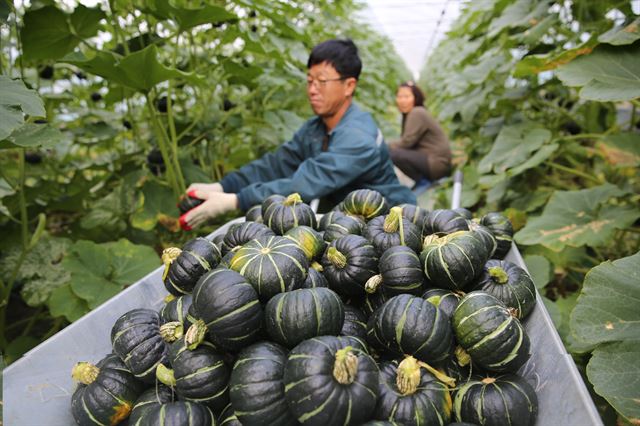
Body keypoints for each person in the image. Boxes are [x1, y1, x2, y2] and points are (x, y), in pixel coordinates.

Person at [180, 39, 416, 230]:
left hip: (388, 224)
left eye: (322, 81)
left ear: (349, 86)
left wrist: (235, 201)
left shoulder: (358, 135)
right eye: (309, 80)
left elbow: (306, 183)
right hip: (344, 223)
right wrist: (223, 186)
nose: (312, 89)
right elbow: (276, 164)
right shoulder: (315, 128)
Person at [388, 81, 452, 187]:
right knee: (395, 151)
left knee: (393, 153)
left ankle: (423, 182)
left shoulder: (416, 112)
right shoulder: (414, 112)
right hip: (437, 162)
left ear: (415, 98)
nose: (402, 100)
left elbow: (407, 142)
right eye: (399, 97)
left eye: (407, 97)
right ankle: (423, 180)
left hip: (436, 164)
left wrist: (386, 145)